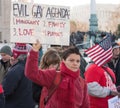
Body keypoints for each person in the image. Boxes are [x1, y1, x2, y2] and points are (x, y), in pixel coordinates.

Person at [25, 40, 90, 108]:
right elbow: (31, 73)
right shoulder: (54, 75)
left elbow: (85, 106)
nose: (75, 63)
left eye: (78, 61)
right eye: (71, 60)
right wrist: (34, 51)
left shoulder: (82, 83)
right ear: (64, 61)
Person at [2, 43, 35, 108]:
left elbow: (5, 90)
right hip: (28, 103)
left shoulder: (16, 70)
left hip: (16, 104)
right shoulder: (30, 68)